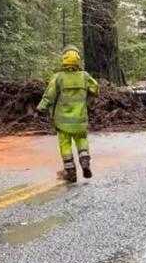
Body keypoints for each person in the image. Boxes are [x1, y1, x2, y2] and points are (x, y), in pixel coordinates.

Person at [37, 46, 99, 183]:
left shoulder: (58, 77)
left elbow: (49, 95)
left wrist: (41, 107)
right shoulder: (84, 76)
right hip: (80, 119)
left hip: (62, 121)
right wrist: (88, 98)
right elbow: (95, 88)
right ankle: (84, 161)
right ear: (78, 60)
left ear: (64, 60)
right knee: (81, 140)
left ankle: (70, 172)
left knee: (65, 145)